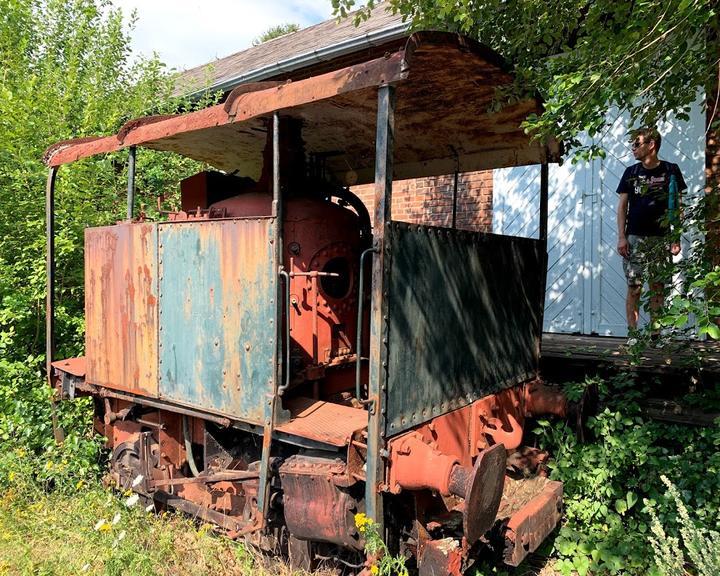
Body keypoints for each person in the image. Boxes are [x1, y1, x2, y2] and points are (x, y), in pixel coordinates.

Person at [616, 127, 686, 335]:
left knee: (657, 286)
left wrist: (676, 238)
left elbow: (677, 207)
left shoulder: (671, 170)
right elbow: (622, 207)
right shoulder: (631, 172)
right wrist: (621, 237)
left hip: (660, 238)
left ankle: (656, 334)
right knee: (634, 287)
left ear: (651, 145)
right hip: (635, 238)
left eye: (637, 144)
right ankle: (634, 336)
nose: (633, 148)